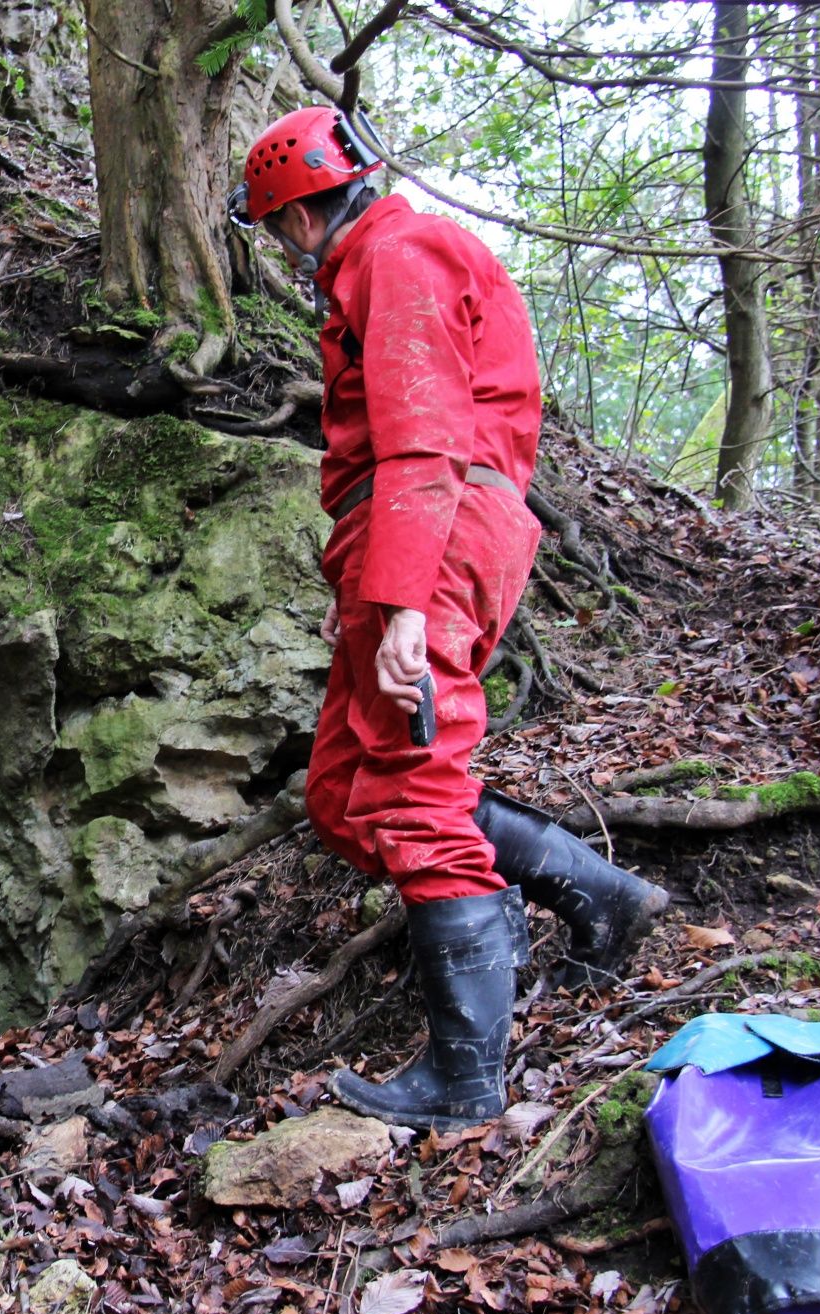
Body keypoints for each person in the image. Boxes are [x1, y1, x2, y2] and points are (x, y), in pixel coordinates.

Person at [228, 106, 670, 1131]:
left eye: (271, 228)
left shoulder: (397, 252)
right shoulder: (383, 260)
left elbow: (422, 441)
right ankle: (594, 894)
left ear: (296, 216)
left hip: (427, 527)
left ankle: (466, 1079)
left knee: (413, 787)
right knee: (344, 796)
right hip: (409, 531)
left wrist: (396, 610)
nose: (280, 250)